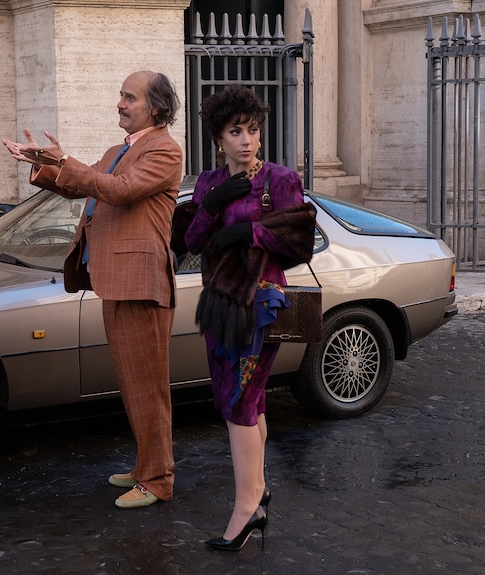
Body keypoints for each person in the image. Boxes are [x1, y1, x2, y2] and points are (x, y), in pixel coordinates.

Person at [2, 71, 183, 509]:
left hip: (141, 282)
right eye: (119, 94)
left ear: (155, 108)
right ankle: (145, 466)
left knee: (148, 385)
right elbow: (79, 184)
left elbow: (118, 191)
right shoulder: (118, 149)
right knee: (132, 382)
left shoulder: (164, 149)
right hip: (115, 280)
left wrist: (66, 163)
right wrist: (41, 162)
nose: (119, 103)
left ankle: (158, 479)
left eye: (129, 97)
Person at [184, 84, 316, 551]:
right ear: (219, 138)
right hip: (219, 304)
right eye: (235, 131)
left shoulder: (279, 180)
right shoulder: (206, 182)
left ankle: (245, 509)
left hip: (260, 304)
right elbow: (194, 242)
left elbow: (299, 241)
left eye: (253, 130)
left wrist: (247, 230)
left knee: (241, 400)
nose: (246, 140)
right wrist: (216, 206)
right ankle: (257, 494)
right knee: (242, 400)